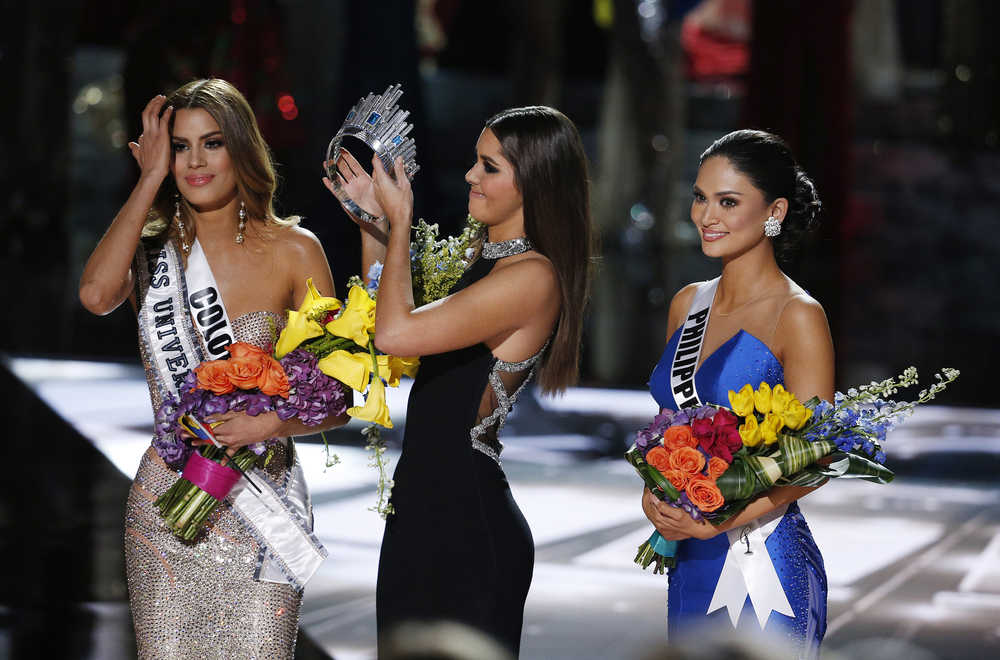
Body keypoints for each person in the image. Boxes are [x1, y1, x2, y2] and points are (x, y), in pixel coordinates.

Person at [79, 79, 348, 659]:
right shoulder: (150, 250)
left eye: (212, 143)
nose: (195, 161)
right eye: (180, 147)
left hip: (261, 504)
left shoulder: (295, 249)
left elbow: (338, 390)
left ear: (242, 150)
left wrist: (269, 425)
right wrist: (147, 180)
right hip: (166, 506)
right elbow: (97, 294)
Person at [326, 106, 594, 655]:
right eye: (476, 162)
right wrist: (373, 227)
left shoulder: (532, 276)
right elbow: (389, 316)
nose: (471, 176)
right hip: (423, 509)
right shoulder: (486, 261)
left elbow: (394, 335)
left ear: (534, 180)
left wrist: (401, 223)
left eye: (489, 167)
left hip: (465, 524)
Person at [641, 130, 831, 658]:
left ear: (774, 211)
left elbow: (818, 456)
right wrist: (658, 490)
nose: (707, 216)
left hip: (763, 560)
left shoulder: (798, 315)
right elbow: (669, 427)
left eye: (728, 202)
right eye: (700, 197)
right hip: (690, 556)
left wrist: (721, 519)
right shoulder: (687, 304)